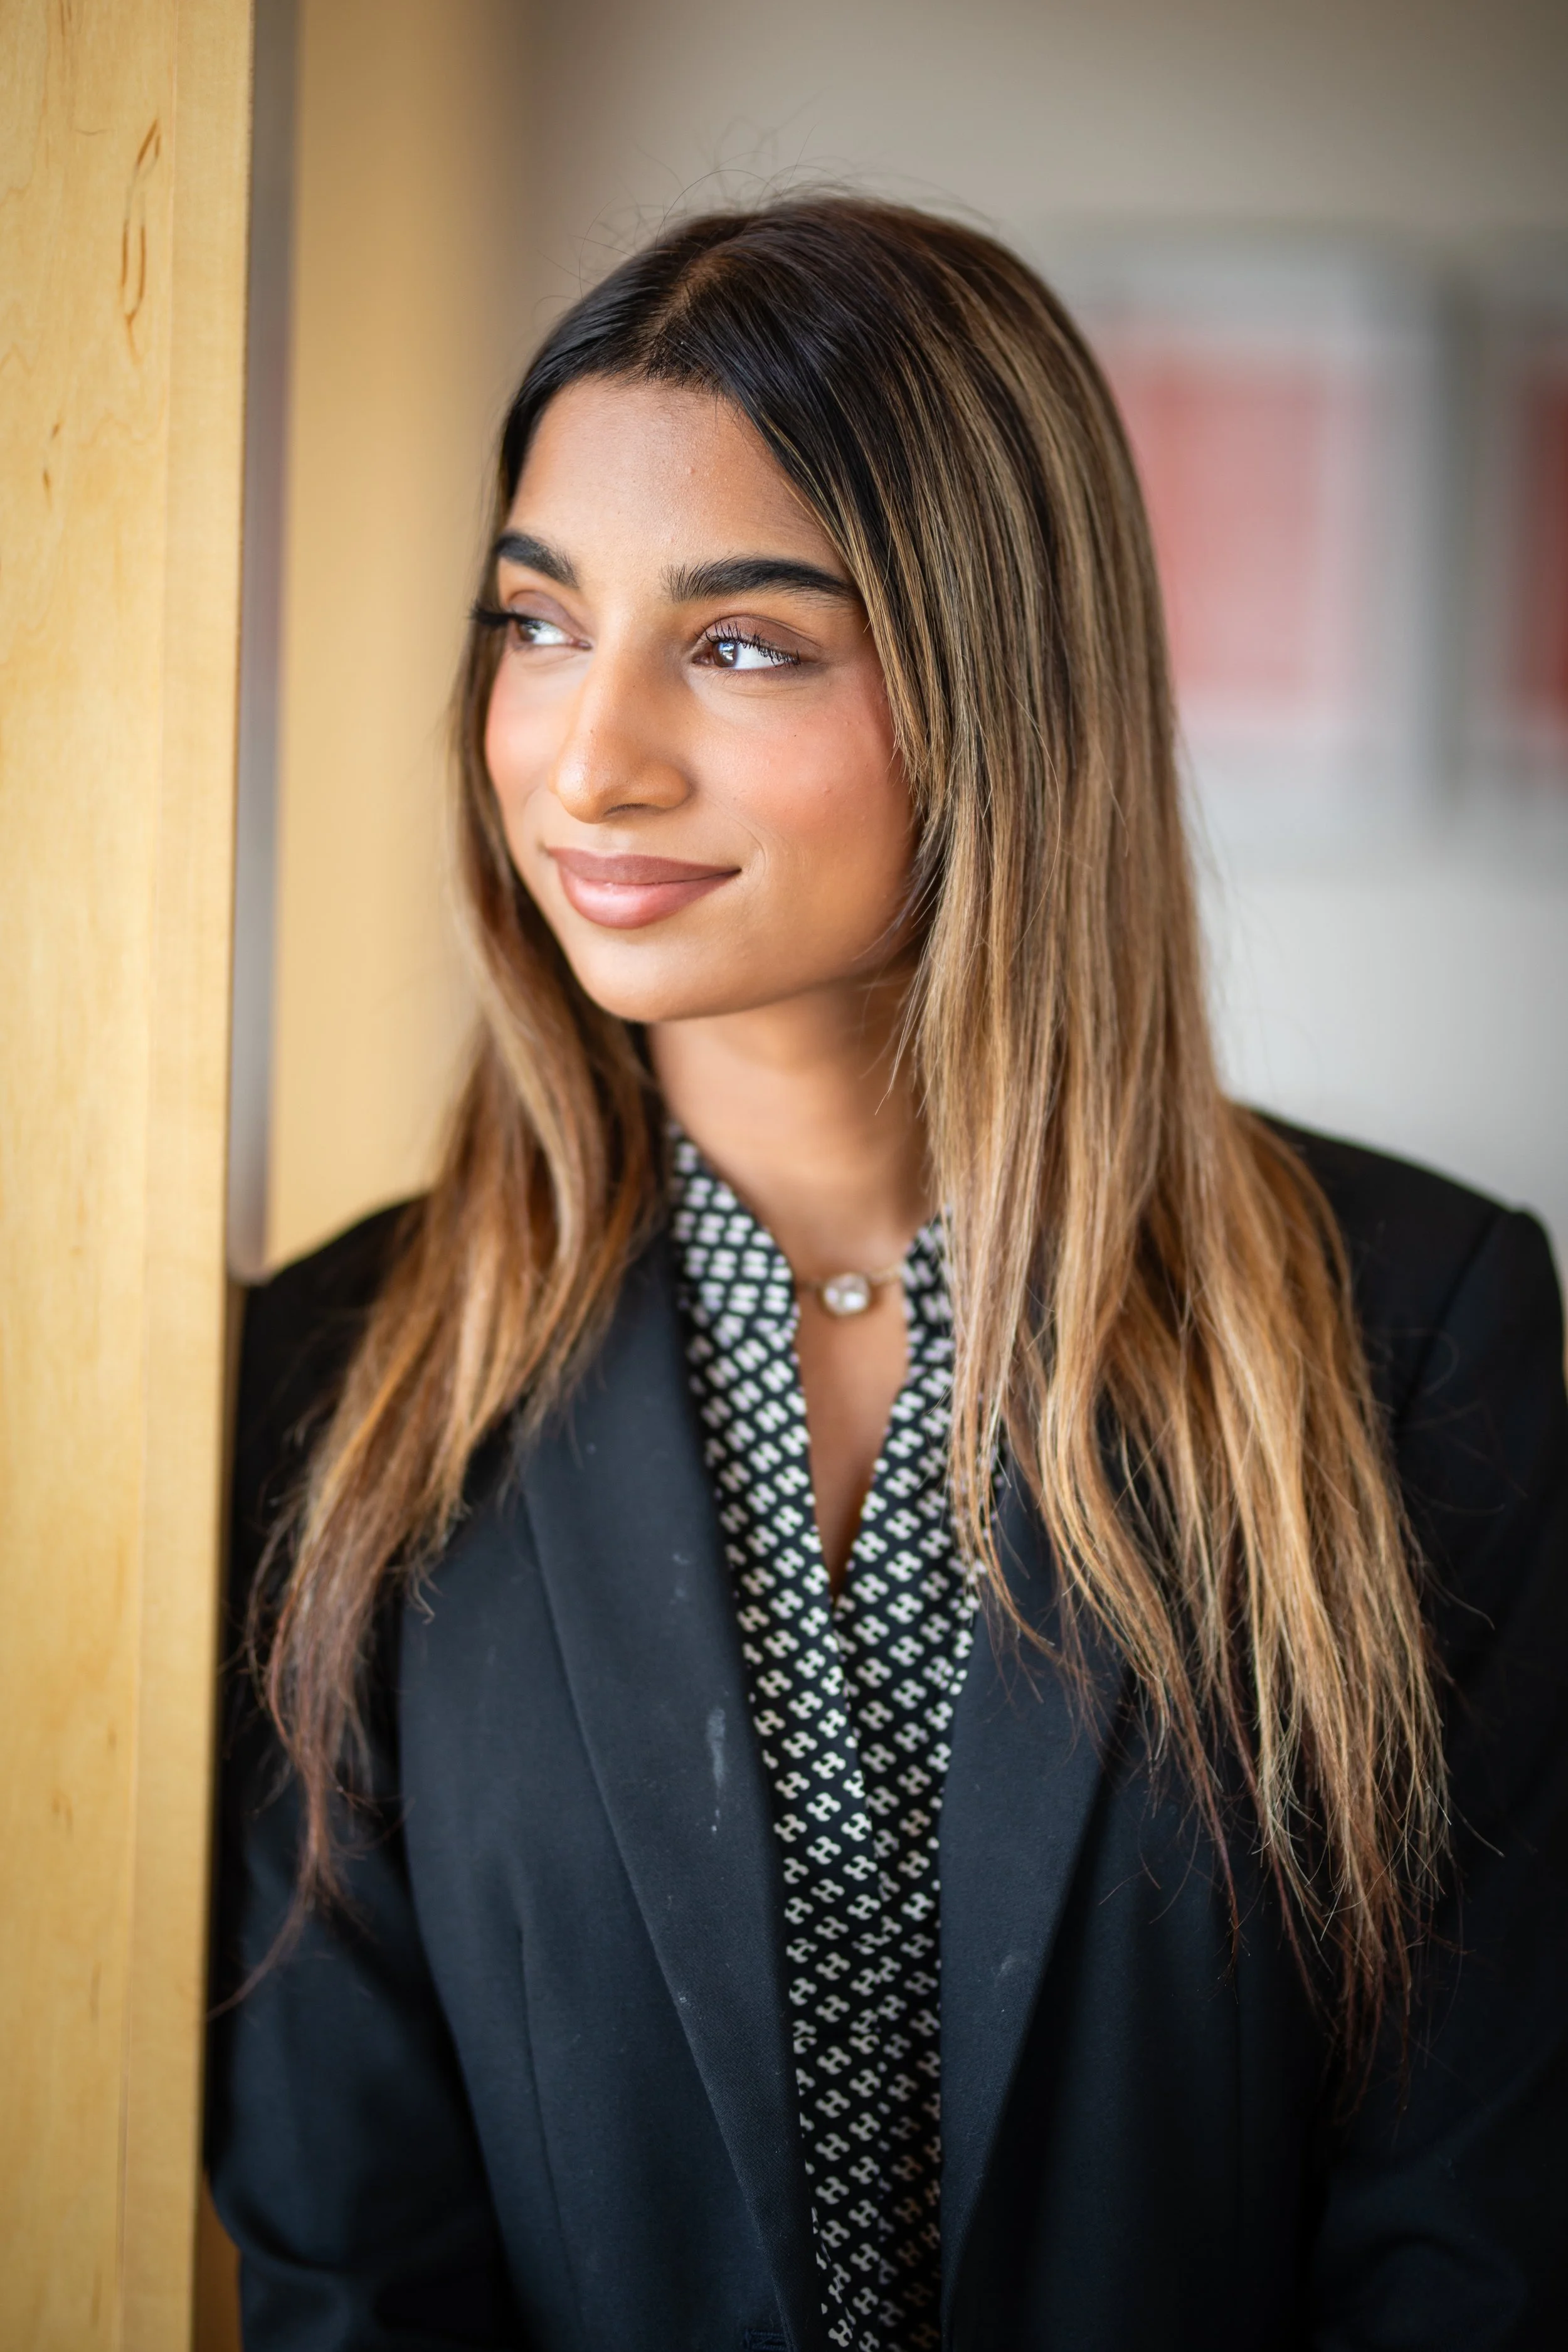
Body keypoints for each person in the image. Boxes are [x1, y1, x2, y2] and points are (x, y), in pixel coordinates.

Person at [208, 199, 1568, 2352]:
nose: (589, 754)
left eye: (743, 642)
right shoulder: (342, 1374)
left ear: (997, 689)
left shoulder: (1419, 1335)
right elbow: (351, 2257)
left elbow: (1473, 2229)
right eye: (537, 623)